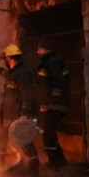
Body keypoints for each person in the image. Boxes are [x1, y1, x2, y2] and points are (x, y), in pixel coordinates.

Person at [0, 43, 40, 177]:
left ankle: (33, 172)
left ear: (9, 59)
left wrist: (24, 115)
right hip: (7, 116)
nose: (5, 62)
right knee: (1, 142)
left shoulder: (23, 74)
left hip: (17, 116)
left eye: (6, 60)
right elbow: (11, 78)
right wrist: (2, 72)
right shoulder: (14, 73)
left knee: (24, 142)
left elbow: (27, 95)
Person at [36, 40, 70, 168]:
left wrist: (44, 104)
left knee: (48, 135)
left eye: (39, 49)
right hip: (59, 103)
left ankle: (54, 164)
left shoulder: (49, 64)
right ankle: (60, 161)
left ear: (46, 49)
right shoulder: (57, 62)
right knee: (51, 133)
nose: (37, 52)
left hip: (54, 104)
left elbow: (46, 86)